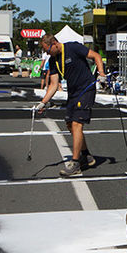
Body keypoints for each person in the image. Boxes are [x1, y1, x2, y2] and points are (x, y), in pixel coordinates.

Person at [34, 34, 106, 177]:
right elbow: (53, 85)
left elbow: (96, 56)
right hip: (72, 93)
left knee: (76, 124)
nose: (47, 53)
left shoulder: (73, 47)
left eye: (48, 50)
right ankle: (86, 155)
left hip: (86, 89)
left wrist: (101, 73)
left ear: (54, 43)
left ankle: (75, 163)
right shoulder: (54, 61)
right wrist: (43, 102)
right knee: (69, 124)